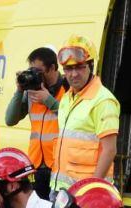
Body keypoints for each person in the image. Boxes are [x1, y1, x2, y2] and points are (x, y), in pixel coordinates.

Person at [50, 35, 120, 191]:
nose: (73, 74)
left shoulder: (103, 100)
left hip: (86, 192)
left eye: (79, 67)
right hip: (60, 190)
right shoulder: (67, 98)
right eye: (68, 69)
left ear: (91, 66)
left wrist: (91, 189)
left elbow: (110, 150)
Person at [6, 47, 68, 200]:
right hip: (36, 164)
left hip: (60, 165)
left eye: (39, 71)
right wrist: (20, 90)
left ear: (52, 68)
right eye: (31, 70)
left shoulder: (68, 88)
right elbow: (10, 119)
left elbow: (74, 119)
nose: (35, 75)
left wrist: (48, 100)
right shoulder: (30, 92)